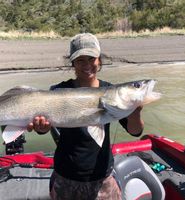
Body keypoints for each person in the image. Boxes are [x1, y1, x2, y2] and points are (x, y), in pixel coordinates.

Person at [27, 33, 144, 200]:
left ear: (99, 60)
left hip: (101, 176)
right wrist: (41, 128)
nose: (87, 64)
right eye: (80, 60)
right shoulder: (58, 90)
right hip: (66, 176)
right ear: (73, 63)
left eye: (91, 58)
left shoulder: (112, 92)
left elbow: (135, 131)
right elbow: (43, 127)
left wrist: (136, 111)